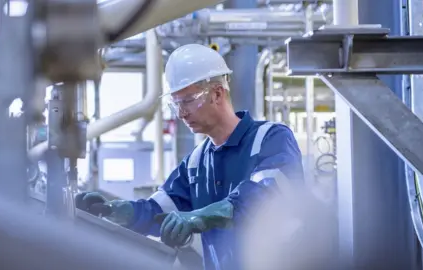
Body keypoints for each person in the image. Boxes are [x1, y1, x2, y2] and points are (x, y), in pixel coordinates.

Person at [75, 44, 304, 270]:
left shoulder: (270, 138)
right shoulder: (196, 162)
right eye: (176, 104)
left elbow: (266, 196)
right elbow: (158, 210)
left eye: (188, 100)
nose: (182, 113)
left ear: (217, 93)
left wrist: (200, 216)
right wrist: (115, 211)